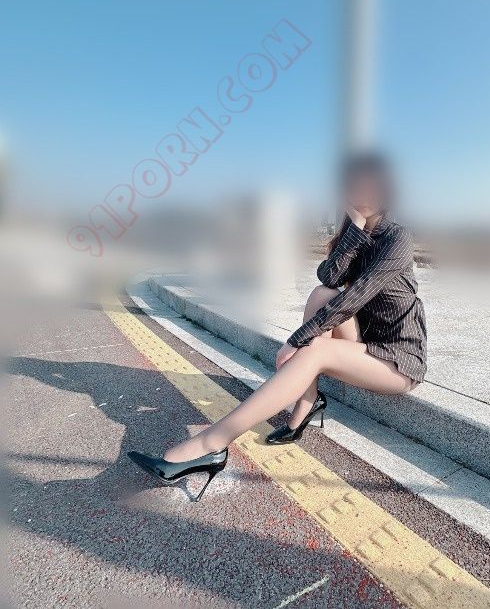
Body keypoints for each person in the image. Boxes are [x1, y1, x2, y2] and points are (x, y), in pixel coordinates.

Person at [127, 153, 428, 501]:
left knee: (317, 347)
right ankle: (307, 403)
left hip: (398, 360)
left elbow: (355, 296)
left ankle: (212, 443)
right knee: (321, 295)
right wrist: (356, 229)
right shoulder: (356, 233)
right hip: (364, 343)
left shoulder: (398, 239)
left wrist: (297, 340)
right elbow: (329, 278)